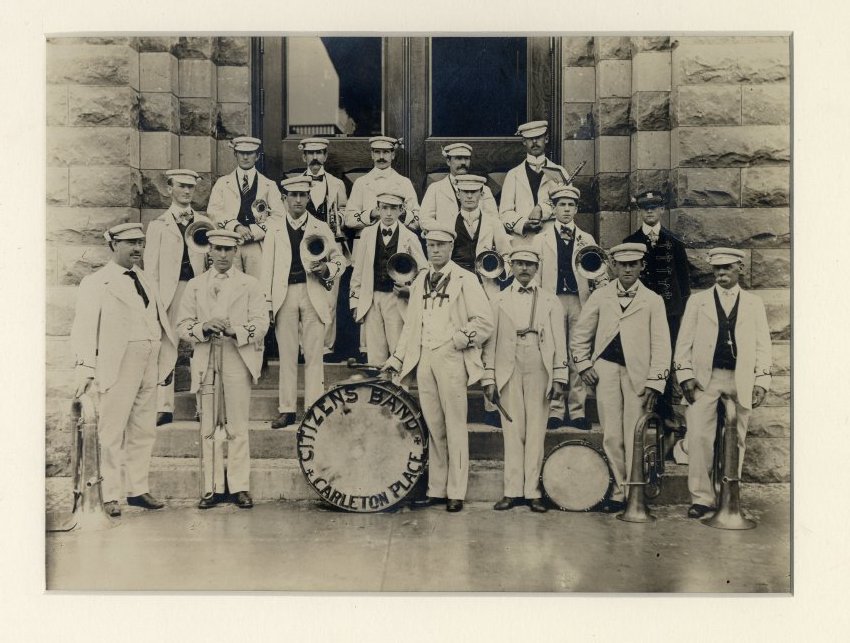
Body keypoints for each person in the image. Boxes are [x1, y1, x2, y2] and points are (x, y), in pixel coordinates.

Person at [382, 223, 494, 513]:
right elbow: (411, 325)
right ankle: (437, 488)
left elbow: (484, 321)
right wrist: (397, 358)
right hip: (425, 358)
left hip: (451, 357)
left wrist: (457, 340)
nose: (435, 250)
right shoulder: (420, 280)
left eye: (441, 245)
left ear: (451, 248)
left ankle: (456, 491)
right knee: (433, 426)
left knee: (455, 425)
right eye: (431, 245)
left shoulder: (465, 279)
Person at [71, 223, 176, 517]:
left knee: (144, 429)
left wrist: (164, 359)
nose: (137, 249)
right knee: (112, 429)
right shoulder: (97, 282)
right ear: (113, 245)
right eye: (130, 243)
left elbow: (157, 319)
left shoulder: (144, 277)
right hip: (118, 362)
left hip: (149, 360)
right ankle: (110, 494)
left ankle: (138, 489)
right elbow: (84, 328)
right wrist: (86, 368)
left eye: (140, 243)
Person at [571, 243, 671, 513]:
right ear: (613, 266)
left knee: (634, 433)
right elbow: (580, 335)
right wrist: (583, 366)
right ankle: (619, 491)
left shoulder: (653, 300)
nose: (627, 269)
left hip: (638, 375)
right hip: (606, 371)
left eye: (633, 264)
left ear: (641, 266)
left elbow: (662, 345)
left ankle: (636, 491)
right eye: (622, 264)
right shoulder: (601, 296)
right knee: (612, 435)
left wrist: (655, 382)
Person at [673, 247, 772, 519]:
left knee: (736, 437)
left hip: (741, 378)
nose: (722, 273)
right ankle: (702, 498)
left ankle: (730, 494)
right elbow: (684, 343)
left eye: (727, 268)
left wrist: (761, 380)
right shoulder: (698, 302)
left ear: (739, 268)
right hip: (706, 378)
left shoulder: (754, 303)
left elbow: (764, 345)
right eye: (717, 269)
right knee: (699, 437)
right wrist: (685, 376)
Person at [177, 229, 269, 509]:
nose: (222, 255)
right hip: (206, 358)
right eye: (217, 249)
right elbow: (182, 325)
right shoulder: (195, 285)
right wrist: (203, 327)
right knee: (209, 426)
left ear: (237, 251)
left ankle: (240, 486)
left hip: (236, 358)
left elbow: (262, 322)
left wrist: (235, 330)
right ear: (209, 250)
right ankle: (212, 486)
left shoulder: (250, 284)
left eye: (228, 250)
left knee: (238, 425)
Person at [481, 248, 568, 513]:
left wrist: (560, 376)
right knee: (512, 429)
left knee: (536, 429)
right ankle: (511, 491)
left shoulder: (551, 301)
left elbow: (559, 342)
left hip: (539, 363)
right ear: (511, 266)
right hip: (509, 363)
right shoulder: (497, 299)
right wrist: (489, 377)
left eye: (529, 264)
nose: (524, 269)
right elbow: (490, 343)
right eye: (519, 264)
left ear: (537, 267)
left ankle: (533, 491)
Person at [261, 176, 346, 429]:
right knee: (287, 355)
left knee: (313, 355)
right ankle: (286, 409)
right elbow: (267, 269)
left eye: (302, 195)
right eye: (293, 195)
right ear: (284, 199)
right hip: (284, 295)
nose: (298, 200)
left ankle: (313, 407)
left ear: (309, 197)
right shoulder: (274, 229)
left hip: (313, 294)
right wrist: (267, 303)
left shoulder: (321, 227)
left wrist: (327, 269)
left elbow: (339, 261)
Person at [143, 169, 213, 426]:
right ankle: (164, 406)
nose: (186, 191)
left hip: (198, 290)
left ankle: (204, 405)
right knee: (166, 345)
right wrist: (154, 301)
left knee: (201, 345)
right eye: (181, 186)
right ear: (170, 188)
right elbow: (150, 268)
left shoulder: (205, 222)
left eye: (190, 187)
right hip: (170, 293)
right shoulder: (158, 225)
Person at [535, 184, 606, 430]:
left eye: (570, 205)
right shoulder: (540, 239)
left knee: (578, 353)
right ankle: (555, 409)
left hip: (579, 301)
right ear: (553, 209)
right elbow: (535, 275)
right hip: (551, 300)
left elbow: (599, 271)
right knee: (555, 353)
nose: (566, 209)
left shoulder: (587, 238)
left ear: (576, 209)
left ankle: (577, 411)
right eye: (561, 205)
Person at [623, 189, 691, 431]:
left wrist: (675, 309)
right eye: (645, 207)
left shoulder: (674, 242)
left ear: (662, 210)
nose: (650, 211)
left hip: (669, 312)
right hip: (639, 311)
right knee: (641, 356)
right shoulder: (630, 242)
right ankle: (644, 411)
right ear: (640, 211)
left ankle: (665, 411)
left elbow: (684, 282)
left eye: (654, 207)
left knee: (666, 357)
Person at [349, 189, 428, 365]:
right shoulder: (367, 235)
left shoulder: (410, 237)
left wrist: (410, 289)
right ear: (378, 209)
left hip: (396, 299)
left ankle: (397, 390)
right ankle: (379, 391)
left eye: (394, 208)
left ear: (401, 210)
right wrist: (355, 302)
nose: (389, 213)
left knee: (398, 348)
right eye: (384, 208)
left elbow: (424, 270)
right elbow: (358, 271)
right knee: (375, 351)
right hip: (372, 298)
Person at [298, 137, 352, 360]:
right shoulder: (295, 184)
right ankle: (304, 349)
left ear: (326, 156)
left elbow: (345, 212)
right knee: (304, 298)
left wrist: (337, 217)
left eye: (319, 153)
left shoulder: (337, 184)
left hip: (330, 247)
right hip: (304, 248)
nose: (315, 158)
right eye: (311, 154)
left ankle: (326, 348)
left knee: (329, 299)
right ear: (304, 157)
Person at [206, 136, 286, 279]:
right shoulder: (222, 183)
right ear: (235, 154)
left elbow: (279, 217)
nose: (245, 157)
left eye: (249, 153)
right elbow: (214, 211)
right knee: (230, 288)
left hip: (257, 245)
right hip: (229, 243)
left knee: (257, 289)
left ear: (257, 156)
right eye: (241, 152)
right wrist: (235, 227)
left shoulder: (269, 185)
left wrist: (253, 231)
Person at [499, 120, 569, 242]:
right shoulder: (513, 175)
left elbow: (567, 207)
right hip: (522, 242)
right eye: (530, 139)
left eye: (538, 137)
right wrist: (523, 224)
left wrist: (542, 208)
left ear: (546, 139)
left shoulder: (560, 172)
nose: (535, 142)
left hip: (552, 239)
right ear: (524, 142)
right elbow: (505, 212)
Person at [343, 136, 421, 233]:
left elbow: (418, 220)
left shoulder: (404, 182)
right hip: (366, 241)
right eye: (377, 152)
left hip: (397, 241)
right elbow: (348, 219)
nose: (381, 157)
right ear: (372, 155)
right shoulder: (361, 183)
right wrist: (371, 214)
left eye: (386, 152)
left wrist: (402, 213)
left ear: (393, 155)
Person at [419, 142, 498, 230]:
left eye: (467, 158)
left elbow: (494, 219)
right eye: (458, 158)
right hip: (446, 240)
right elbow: (424, 220)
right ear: (448, 161)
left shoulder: (484, 189)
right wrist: (446, 233)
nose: (463, 162)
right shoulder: (435, 189)